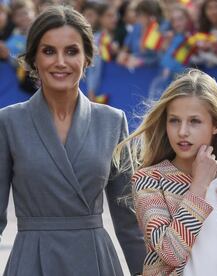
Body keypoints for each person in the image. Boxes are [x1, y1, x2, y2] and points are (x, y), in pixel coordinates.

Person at [0, 6, 146, 276]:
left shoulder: (113, 122)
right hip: (31, 261)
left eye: (71, 51)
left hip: (95, 261)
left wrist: (145, 272)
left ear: (87, 57)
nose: (60, 62)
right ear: (33, 59)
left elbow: (128, 218)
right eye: (48, 51)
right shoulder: (8, 122)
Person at [113, 69, 217, 276]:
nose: (182, 131)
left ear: (216, 125)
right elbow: (171, 252)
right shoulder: (150, 181)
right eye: (174, 120)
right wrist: (199, 185)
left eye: (194, 121)